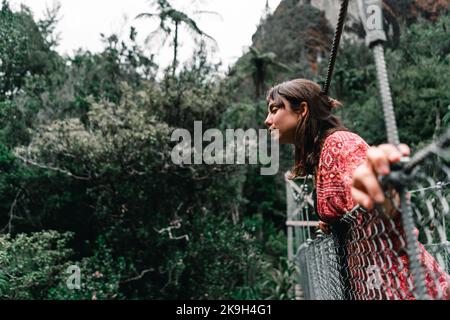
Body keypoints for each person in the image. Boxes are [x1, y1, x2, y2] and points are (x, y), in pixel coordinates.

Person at [265, 78, 449, 300]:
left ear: (302, 109)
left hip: (405, 287)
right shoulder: (321, 153)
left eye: (274, 110)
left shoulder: (339, 144)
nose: (268, 121)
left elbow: (379, 203)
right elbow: (349, 207)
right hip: (379, 284)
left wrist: (381, 191)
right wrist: (332, 221)